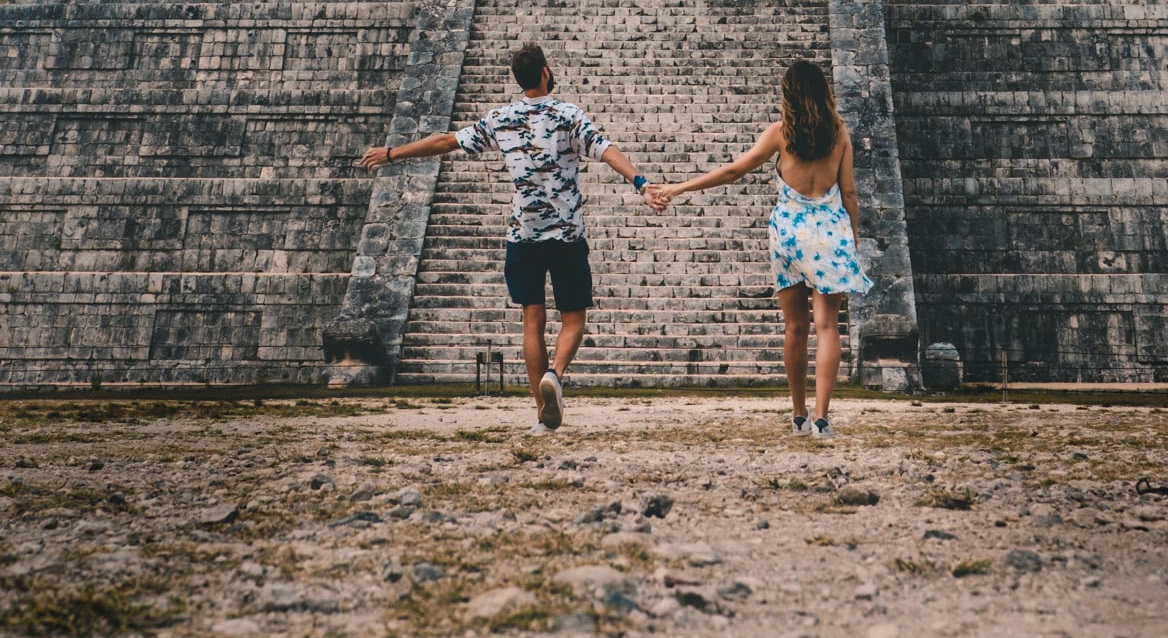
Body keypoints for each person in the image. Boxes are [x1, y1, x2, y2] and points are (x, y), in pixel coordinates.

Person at [359, 42, 649, 432]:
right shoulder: (566, 114)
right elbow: (605, 149)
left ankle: (542, 418)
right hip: (566, 235)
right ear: (545, 72)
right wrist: (640, 182)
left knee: (532, 320)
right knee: (574, 318)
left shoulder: (502, 118)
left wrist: (393, 153)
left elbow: (446, 141)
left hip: (523, 235)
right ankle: (557, 377)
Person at [647, 59, 870, 440]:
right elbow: (848, 192)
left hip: (788, 233)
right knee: (828, 326)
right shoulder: (840, 134)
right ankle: (821, 417)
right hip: (830, 233)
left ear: (790, 95)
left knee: (795, 327)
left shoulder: (780, 134)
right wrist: (854, 234)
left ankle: (798, 413)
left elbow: (734, 171)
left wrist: (679, 187)